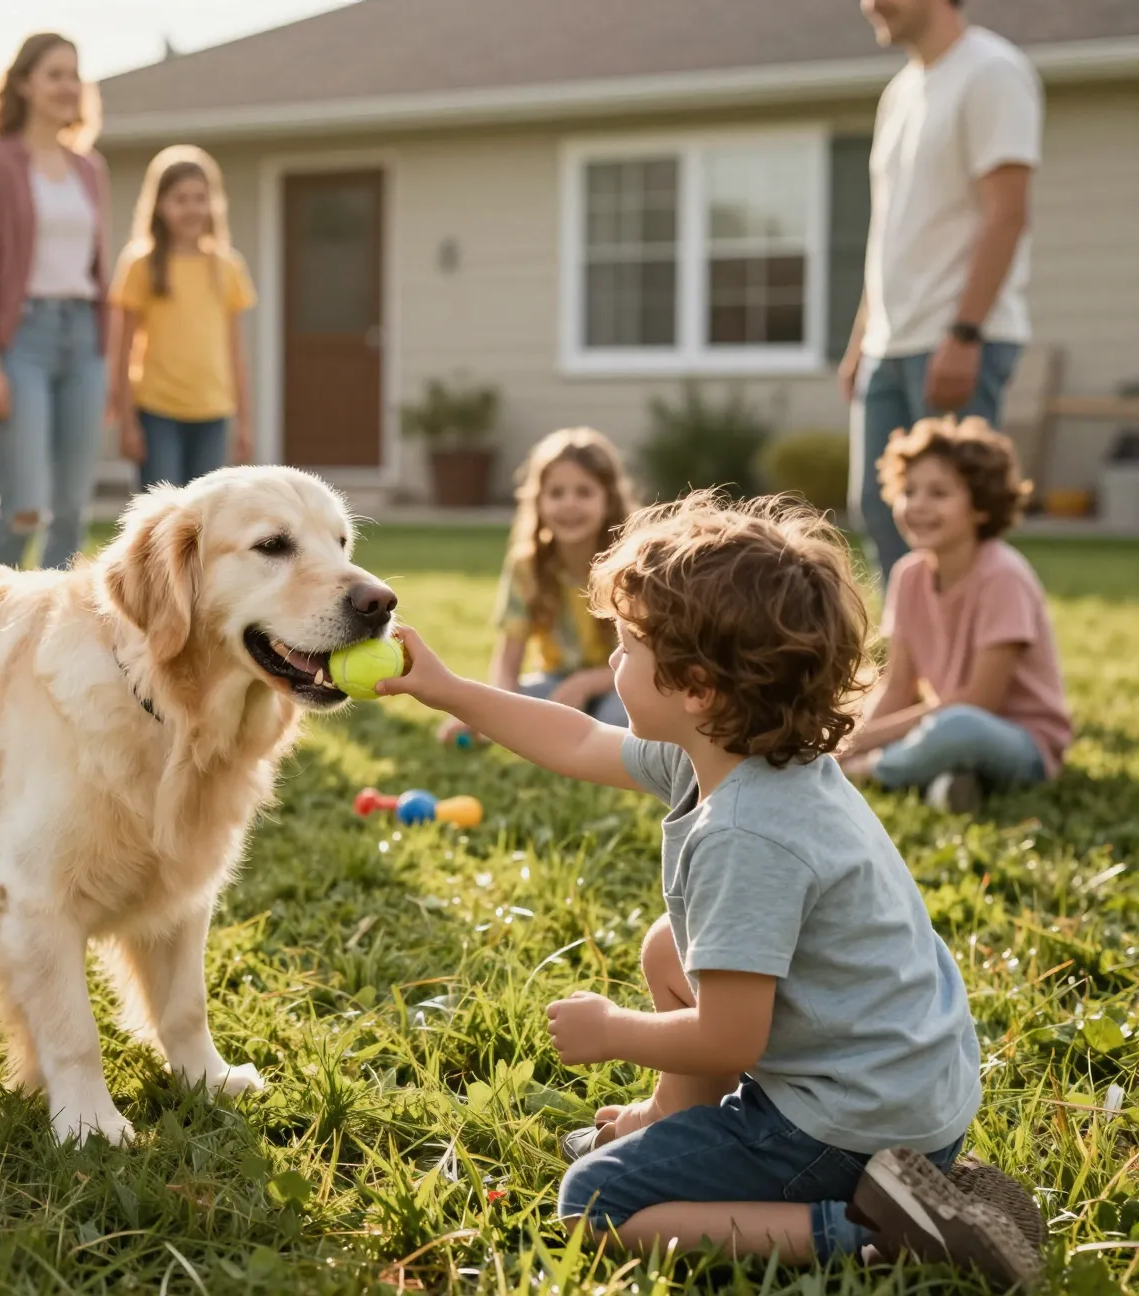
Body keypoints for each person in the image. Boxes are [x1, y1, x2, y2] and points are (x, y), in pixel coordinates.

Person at [377, 494, 1040, 1285]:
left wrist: (611, 1030)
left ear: (696, 686)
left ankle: (883, 1231)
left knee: (593, 1204)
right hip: (898, 1085)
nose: (613, 663)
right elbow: (580, 737)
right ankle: (677, 1122)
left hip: (849, 1123)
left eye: (626, 646)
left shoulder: (746, 834)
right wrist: (450, 690)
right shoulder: (742, 751)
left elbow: (731, 1041)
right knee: (670, 943)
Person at [840, 0, 1042, 585]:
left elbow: (1006, 216)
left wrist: (964, 332)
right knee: (880, 511)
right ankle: (908, 667)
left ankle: (978, 667)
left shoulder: (991, 72)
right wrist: (861, 341)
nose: (869, 4)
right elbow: (890, 234)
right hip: (889, 343)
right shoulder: (899, 93)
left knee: (956, 525)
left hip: (955, 339)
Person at [842, 417, 1070, 812]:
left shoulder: (1003, 576)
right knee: (851, 707)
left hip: (1022, 741)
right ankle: (944, 783)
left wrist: (858, 748)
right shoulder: (908, 575)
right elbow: (899, 687)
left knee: (957, 730)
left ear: (981, 507)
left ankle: (862, 772)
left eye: (939, 493)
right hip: (942, 722)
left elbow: (978, 702)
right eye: (908, 491)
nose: (918, 506)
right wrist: (855, 733)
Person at [0, 33, 110, 571]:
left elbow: (97, 268)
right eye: (54, 75)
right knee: (23, 506)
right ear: (24, 84)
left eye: (74, 74)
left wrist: (104, 353)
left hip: (83, 340)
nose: (68, 86)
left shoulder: (90, 169)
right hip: (20, 340)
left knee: (70, 510)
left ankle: (52, 640)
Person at [437, 428, 631, 747]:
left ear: (608, 499)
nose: (569, 504)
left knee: (616, 723)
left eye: (584, 492)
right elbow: (508, 661)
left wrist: (585, 684)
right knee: (525, 699)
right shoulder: (527, 566)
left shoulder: (628, 565)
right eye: (556, 493)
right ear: (538, 501)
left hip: (622, 684)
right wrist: (489, 712)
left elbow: (649, 661)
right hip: (558, 685)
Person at [108, 146, 256, 492]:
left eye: (200, 198)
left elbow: (237, 354)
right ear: (159, 204)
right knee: (160, 519)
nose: (192, 208)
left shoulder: (227, 267)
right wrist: (127, 423)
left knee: (202, 520)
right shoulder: (140, 265)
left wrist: (244, 424)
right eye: (180, 199)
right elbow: (123, 350)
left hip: (213, 413)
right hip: (157, 412)